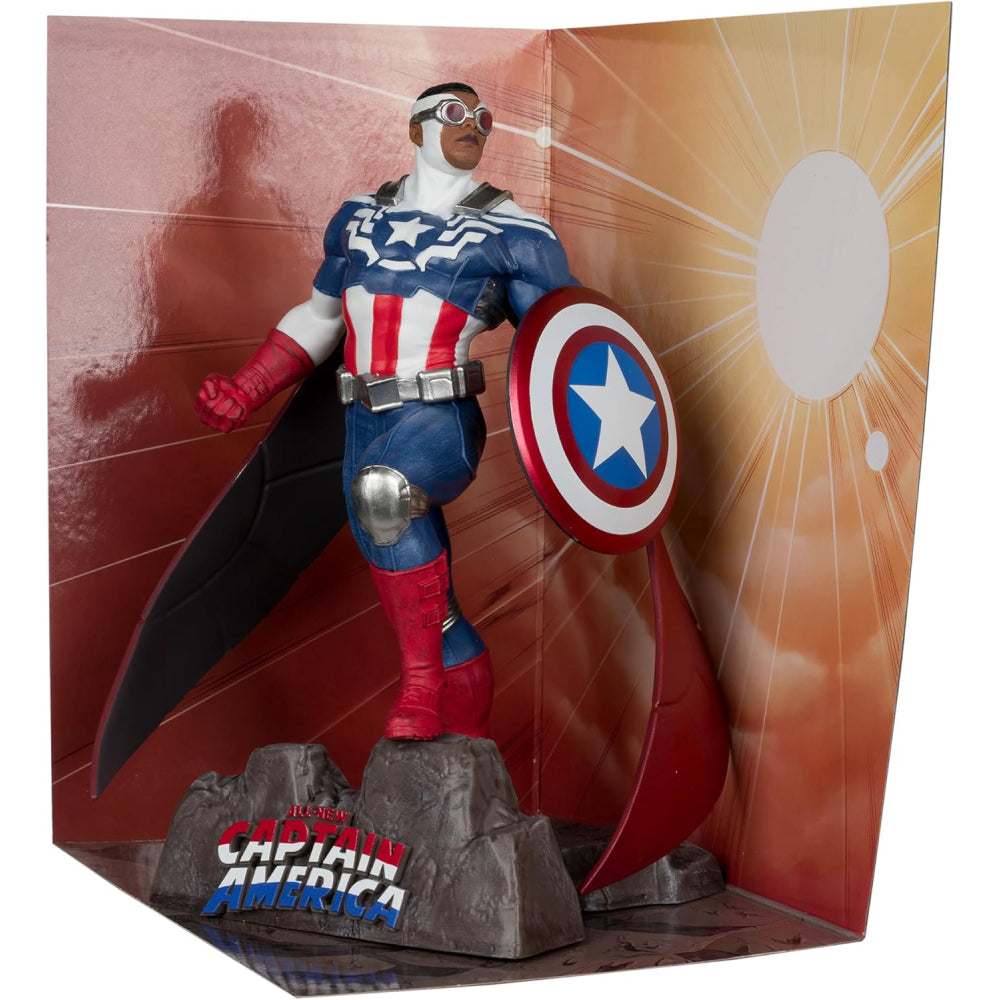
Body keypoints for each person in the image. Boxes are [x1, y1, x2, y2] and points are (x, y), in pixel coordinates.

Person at [196, 82, 576, 743]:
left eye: (483, 118)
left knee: (384, 495)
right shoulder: (358, 218)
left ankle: (421, 689)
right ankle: (467, 733)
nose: (473, 125)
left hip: (440, 421)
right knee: (435, 608)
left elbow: (562, 343)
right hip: (362, 420)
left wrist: (589, 449)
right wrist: (248, 388)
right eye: (455, 112)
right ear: (416, 128)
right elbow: (322, 317)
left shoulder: (516, 234)